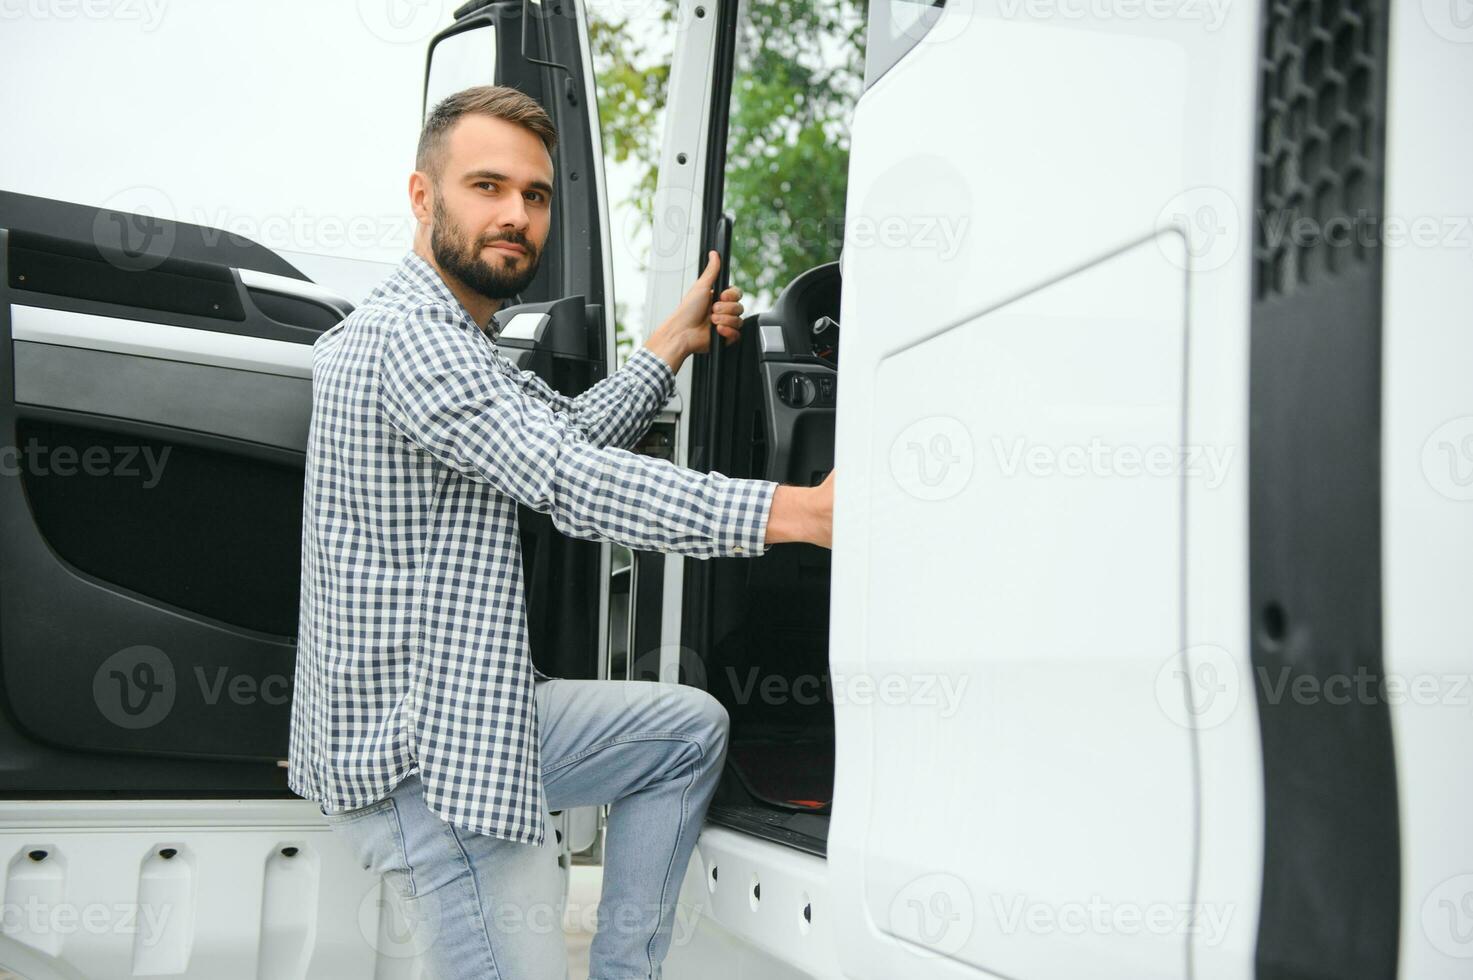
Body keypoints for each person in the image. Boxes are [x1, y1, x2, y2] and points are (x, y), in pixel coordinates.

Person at [287, 84, 834, 979]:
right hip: (431, 770)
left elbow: (563, 437)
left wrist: (669, 345)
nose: (516, 215)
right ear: (423, 198)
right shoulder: (411, 341)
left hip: (473, 713)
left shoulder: (451, 337)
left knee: (685, 732)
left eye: (534, 197)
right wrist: (798, 513)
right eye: (487, 187)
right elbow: (569, 481)